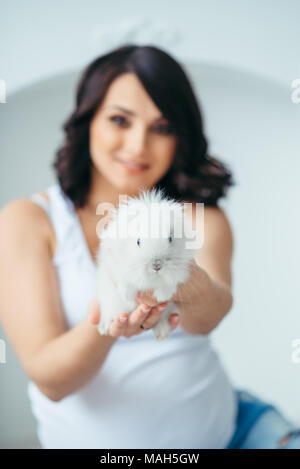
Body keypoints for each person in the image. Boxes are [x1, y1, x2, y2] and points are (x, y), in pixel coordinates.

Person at [0, 44, 299, 449]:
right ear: (88, 121)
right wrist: (111, 314)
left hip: (238, 434)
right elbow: (51, 380)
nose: (138, 145)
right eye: (120, 120)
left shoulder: (199, 217)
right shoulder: (28, 220)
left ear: (181, 136)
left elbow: (208, 317)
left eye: (162, 127)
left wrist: (176, 273)